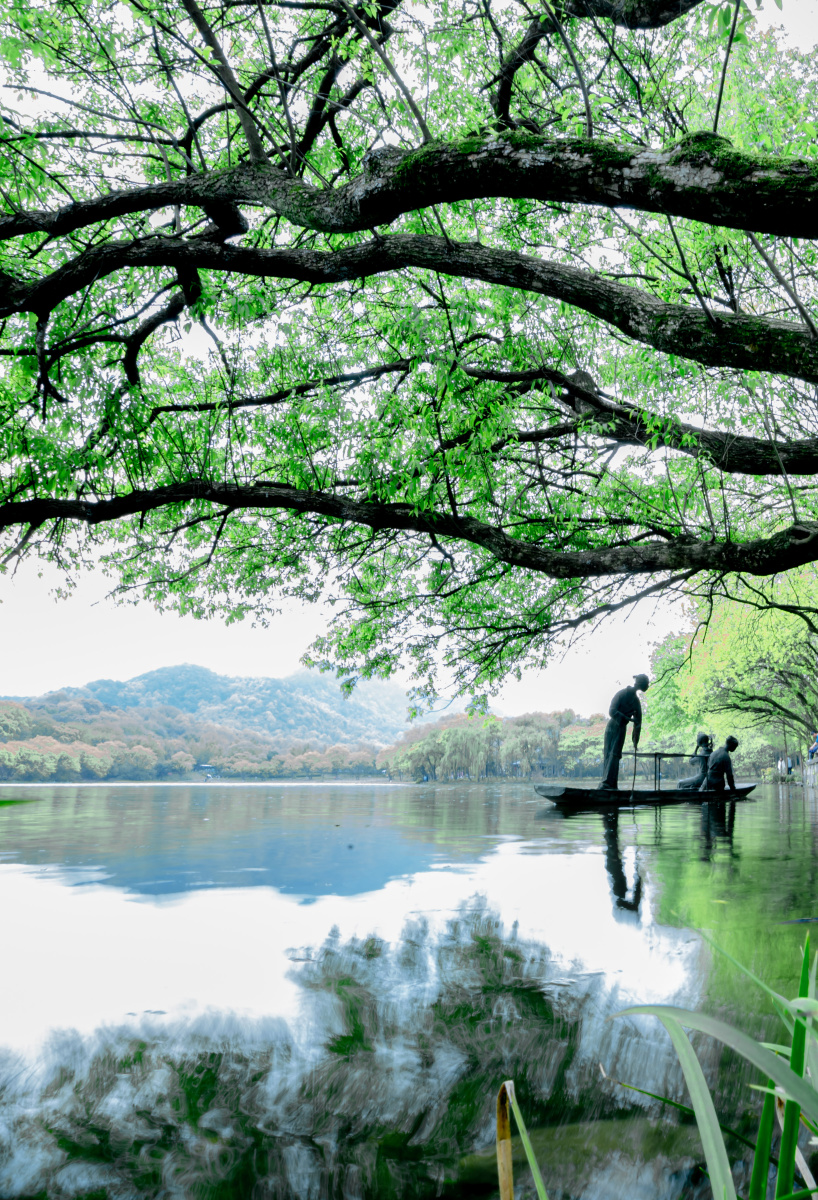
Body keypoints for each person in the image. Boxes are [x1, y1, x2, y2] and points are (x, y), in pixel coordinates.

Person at [598, 673, 649, 791]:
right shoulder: (621, 694)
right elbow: (612, 711)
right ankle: (605, 783)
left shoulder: (636, 701)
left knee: (616, 755)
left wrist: (635, 741)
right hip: (613, 727)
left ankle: (612, 784)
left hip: (621, 729)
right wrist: (626, 718)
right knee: (609, 753)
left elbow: (638, 723)